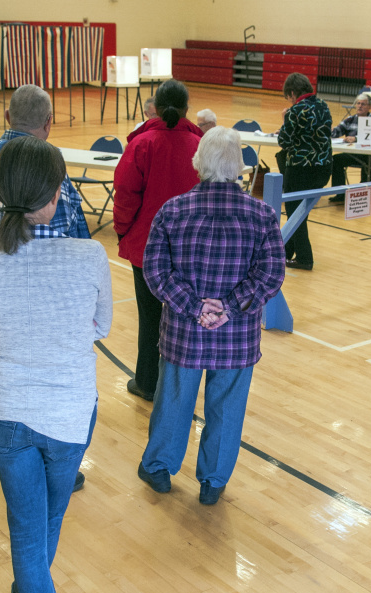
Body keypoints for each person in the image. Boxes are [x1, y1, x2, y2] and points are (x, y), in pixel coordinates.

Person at [0, 135, 111, 593]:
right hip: (68, 414)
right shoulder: (90, 255)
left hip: (5, 412)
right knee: (42, 523)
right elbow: (102, 328)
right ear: (57, 194)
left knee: (31, 524)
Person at [138, 127, 285, 505]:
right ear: (239, 166)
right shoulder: (263, 215)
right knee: (227, 408)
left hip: (184, 333)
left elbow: (155, 271)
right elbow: (271, 274)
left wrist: (193, 306)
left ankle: (158, 468)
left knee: (173, 401)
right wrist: (230, 307)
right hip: (237, 335)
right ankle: (213, 481)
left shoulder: (173, 211)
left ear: (198, 163)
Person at [0, 84, 93, 495]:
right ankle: (59, 463)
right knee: (55, 374)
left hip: (0, 295)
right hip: (51, 294)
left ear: (7, 116)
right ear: (49, 123)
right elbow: (74, 229)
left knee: (12, 368)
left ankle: (25, 458)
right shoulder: (50, 166)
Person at [115, 79, 204, 403]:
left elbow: (126, 195)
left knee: (150, 319)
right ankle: (184, 386)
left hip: (147, 246)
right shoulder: (200, 145)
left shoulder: (142, 144)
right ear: (185, 109)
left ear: (155, 106)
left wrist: (124, 231)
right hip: (192, 247)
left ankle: (148, 382)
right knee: (188, 315)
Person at [0, 84, 90, 244]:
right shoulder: (48, 160)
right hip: (49, 262)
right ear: (48, 122)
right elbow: (67, 223)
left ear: (7, 117)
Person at [275, 72, 332, 271]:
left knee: (294, 213)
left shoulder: (295, 111)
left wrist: (284, 121)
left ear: (292, 93)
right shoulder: (323, 105)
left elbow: (284, 141)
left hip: (301, 169)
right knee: (301, 212)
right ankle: (287, 251)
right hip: (324, 167)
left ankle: (305, 258)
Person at [328, 93, 371, 203]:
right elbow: (336, 132)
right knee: (336, 160)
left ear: (369, 107)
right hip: (354, 154)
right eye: (358, 103)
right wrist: (328, 129)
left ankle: (362, 195)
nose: (360, 106)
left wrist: (355, 138)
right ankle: (340, 193)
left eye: (363, 104)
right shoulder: (350, 119)